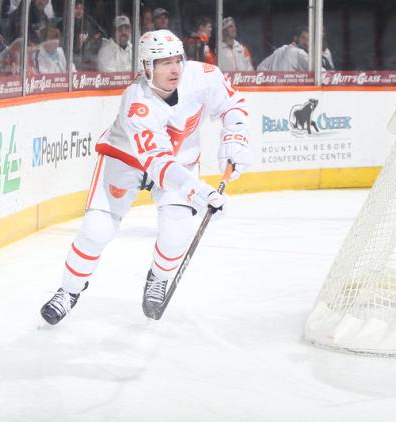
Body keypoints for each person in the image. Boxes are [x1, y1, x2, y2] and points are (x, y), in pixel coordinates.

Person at [40, 29, 252, 324]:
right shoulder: (137, 101)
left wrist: (235, 136)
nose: (174, 68)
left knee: (176, 234)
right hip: (124, 159)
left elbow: (233, 105)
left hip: (180, 160)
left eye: (177, 59)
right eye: (164, 62)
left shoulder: (204, 76)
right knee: (96, 230)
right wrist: (198, 192)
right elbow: (158, 164)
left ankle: (159, 277)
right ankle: (69, 290)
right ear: (146, 67)